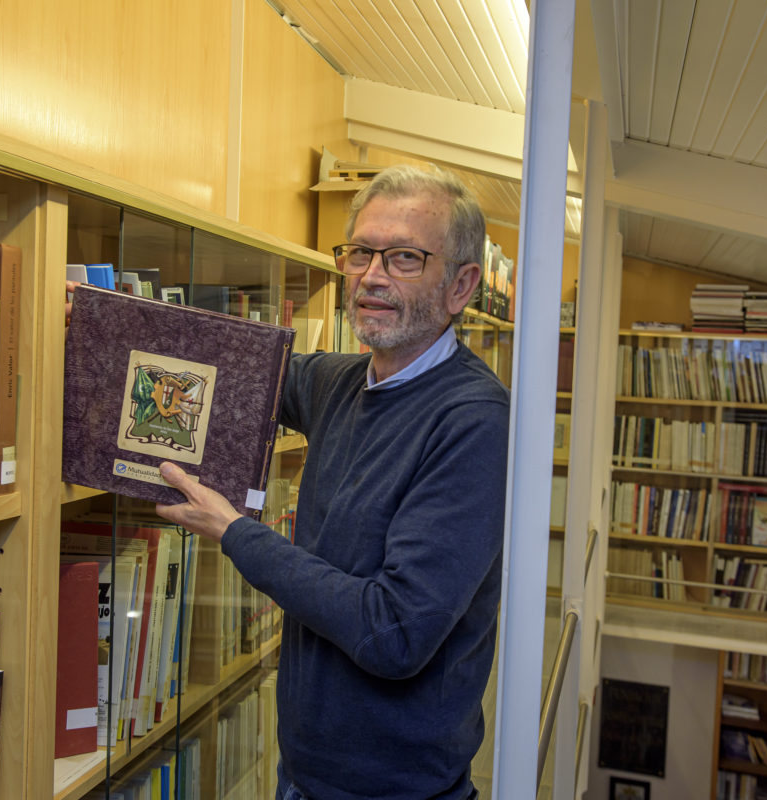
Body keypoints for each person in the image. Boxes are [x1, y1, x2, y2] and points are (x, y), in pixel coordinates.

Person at [155, 164, 511, 800]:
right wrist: (104, 322)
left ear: (461, 286)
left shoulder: (474, 422)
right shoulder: (341, 382)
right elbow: (236, 369)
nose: (372, 276)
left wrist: (236, 532)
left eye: (404, 257)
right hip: (303, 778)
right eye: (360, 254)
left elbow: (394, 632)